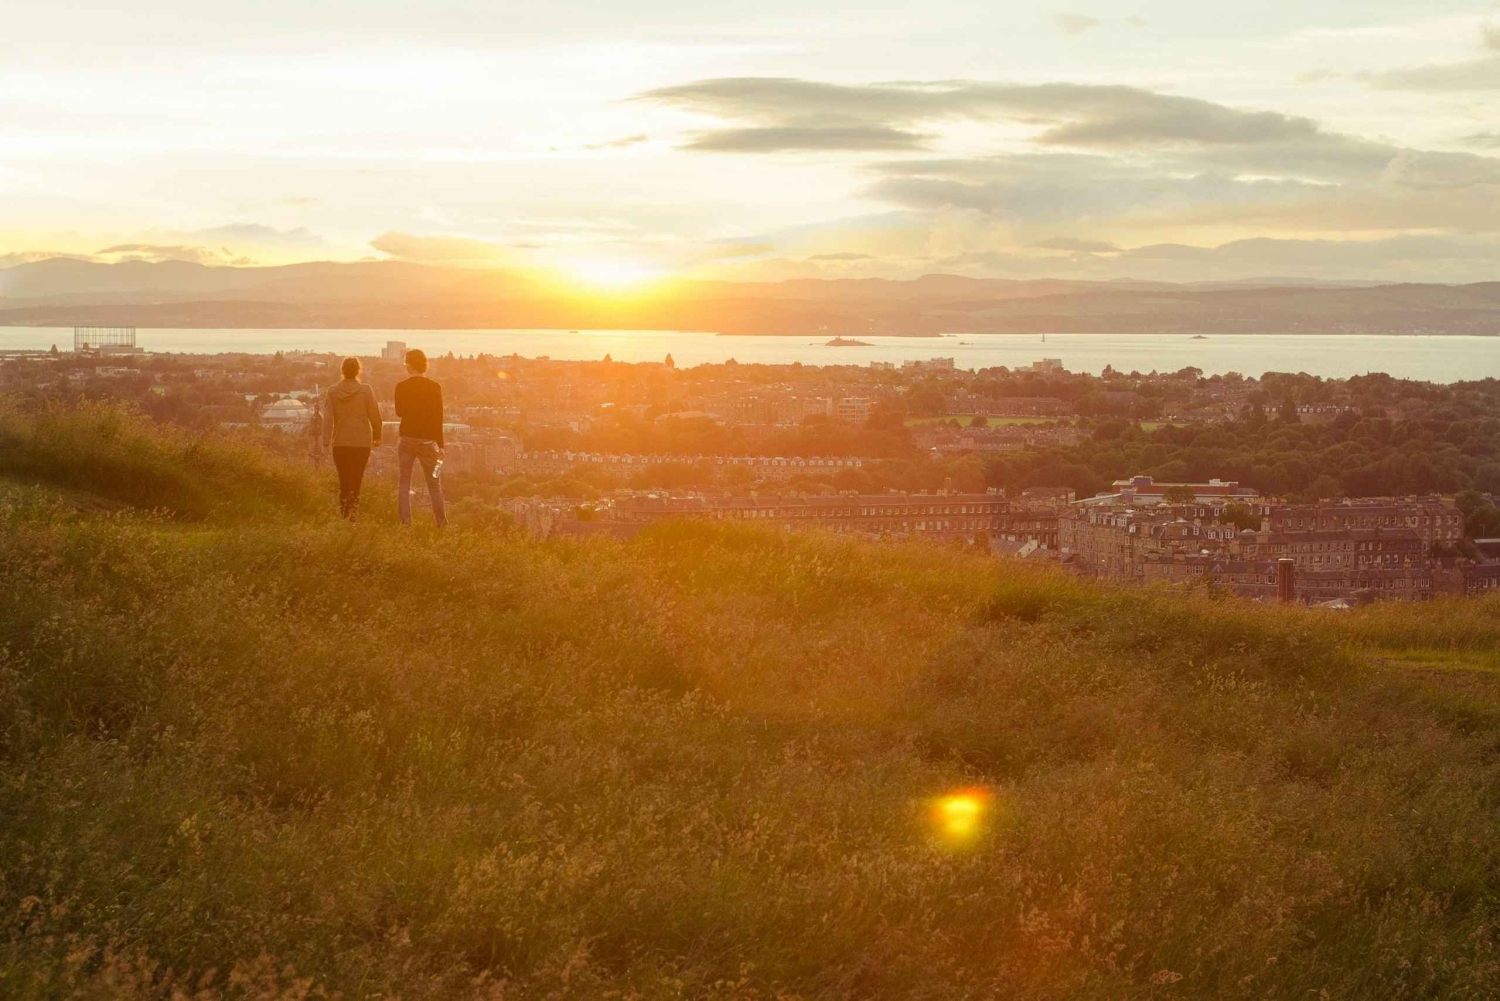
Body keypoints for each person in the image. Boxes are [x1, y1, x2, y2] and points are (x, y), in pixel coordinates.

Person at [322, 357, 382, 520]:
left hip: (340, 442)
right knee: (356, 478)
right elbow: (375, 417)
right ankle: (353, 514)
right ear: (358, 371)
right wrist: (377, 436)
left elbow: (327, 419)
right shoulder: (366, 390)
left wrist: (325, 442)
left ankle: (344, 515)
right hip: (361, 443)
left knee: (343, 479)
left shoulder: (332, 391)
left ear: (342, 371)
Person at [393, 348, 447, 527]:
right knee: (434, 484)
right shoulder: (434, 387)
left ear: (409, 364)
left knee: (404, 483)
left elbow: (399, 412)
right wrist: (441, 444)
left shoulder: (401, 386)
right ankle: (441, 523)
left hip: (407, 438)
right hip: (427, 441)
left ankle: (405, 523)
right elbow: (438, 416)